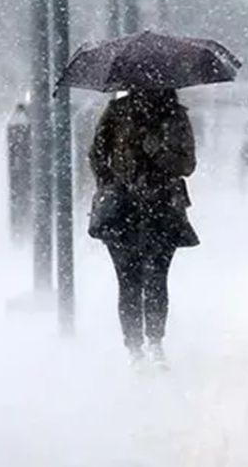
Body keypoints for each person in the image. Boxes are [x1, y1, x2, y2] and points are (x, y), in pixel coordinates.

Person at [88, 89, 198, 368]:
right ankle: (135, 347)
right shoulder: (117, 113)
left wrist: (157, 151)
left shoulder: (175, 116)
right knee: (129, 280)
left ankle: (154, 342)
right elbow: (97, 154)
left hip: (161, 208)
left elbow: (187, 164)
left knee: (156, 278)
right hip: (123, 209)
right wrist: (112, 182)